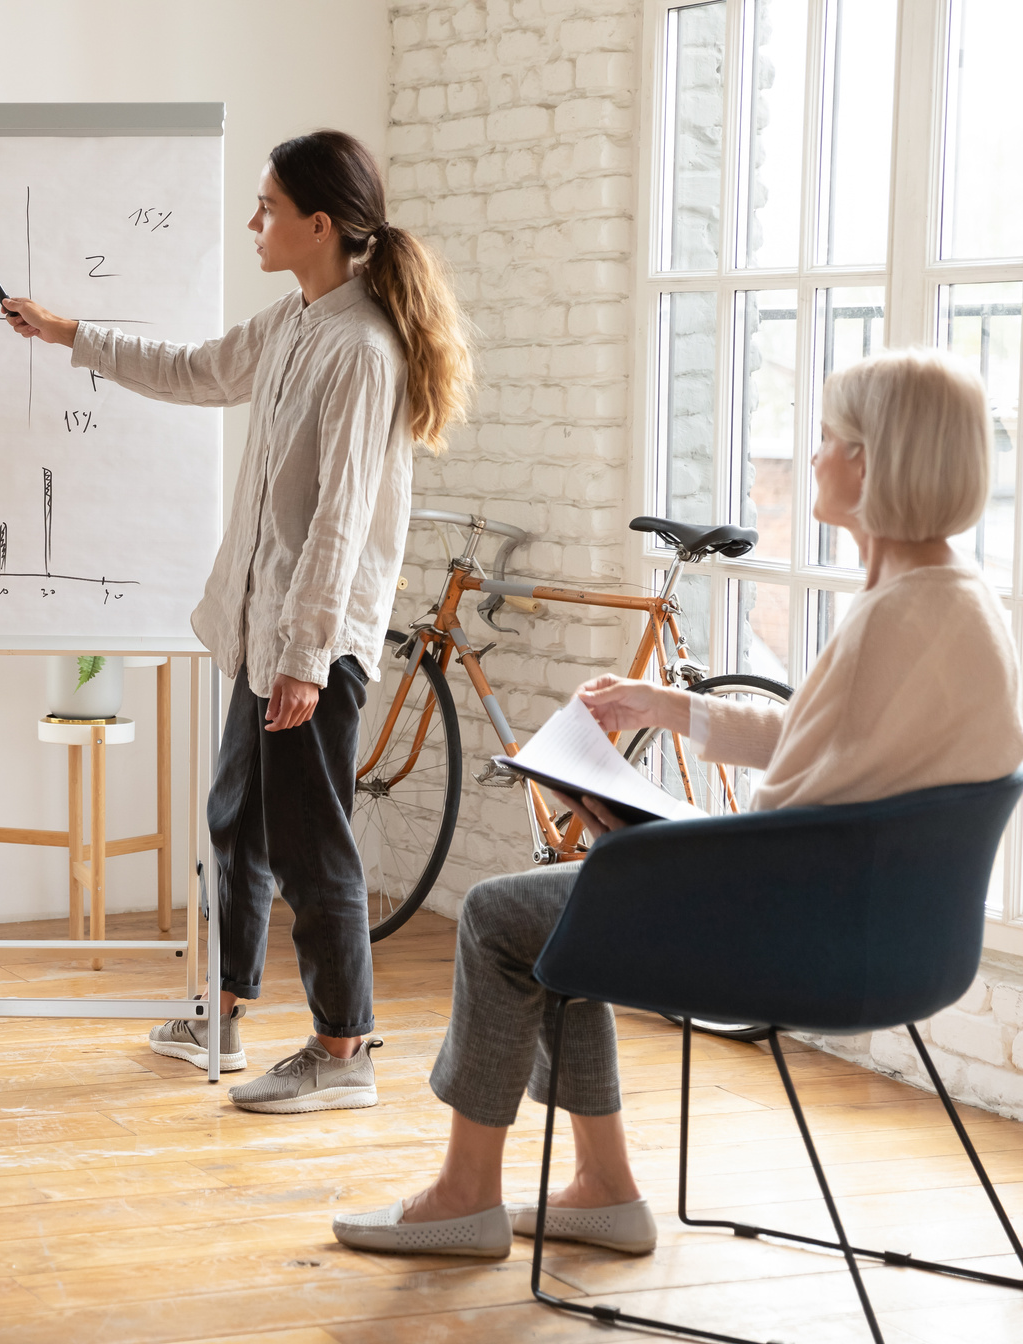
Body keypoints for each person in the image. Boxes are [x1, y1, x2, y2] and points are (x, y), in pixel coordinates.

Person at [332, 347, 1023, 1259]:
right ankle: (604, 1189)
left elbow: (788, 823)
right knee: (578, 912)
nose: (810, 455)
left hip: (806, 939)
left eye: (825, 438)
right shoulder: (956, 600)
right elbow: (829, 753)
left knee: (505, 917)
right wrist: (671, 711)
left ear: (870, 463)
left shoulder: (892, 619)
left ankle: (467, 1195)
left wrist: (633, 835)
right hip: (890, 939)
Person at [2, 130, 474, 1113]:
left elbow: (340, 527)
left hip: (311, 648)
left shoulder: (362, 350)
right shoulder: (296, 322)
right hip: (266, 636)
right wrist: (66, 333)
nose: (253, 221)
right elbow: (196, 370)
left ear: (318, 225)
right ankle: (221, 1005)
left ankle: (345, 1051)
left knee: (313, 847)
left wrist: (302, 662)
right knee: (236, 822)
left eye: (267, 207)